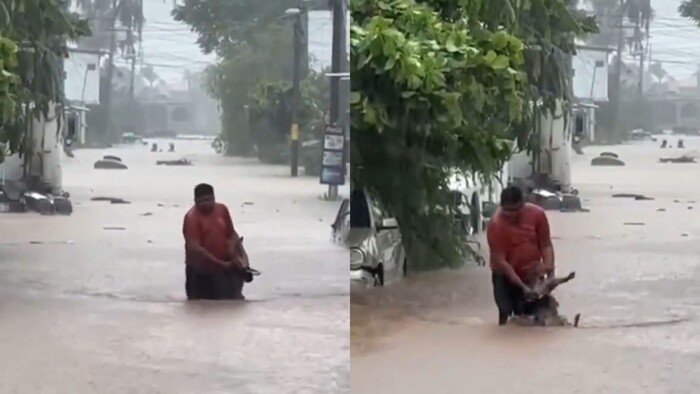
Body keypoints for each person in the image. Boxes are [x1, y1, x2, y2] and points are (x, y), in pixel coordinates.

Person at [487, 186, 555, 325]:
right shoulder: (496, 225)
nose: (511, 214)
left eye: (516, 210)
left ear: (523, 204)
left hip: (532, 273)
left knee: (535, 316)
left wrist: (550, 274)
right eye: (507, 210)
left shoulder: (538, 214)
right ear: (501, 206)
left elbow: (546, 245)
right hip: (505, 275)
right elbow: (501, 262)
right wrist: (522, 287)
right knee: (506, 312)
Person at [182, 183, 247, 300]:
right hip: (201, 273)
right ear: (195, 201)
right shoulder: (192, 218)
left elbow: (232, 234)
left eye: (208, 200)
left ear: (214, 198)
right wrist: (222, 265)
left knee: (232, 304)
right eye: (201, 201)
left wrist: (242, 260)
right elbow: (196, 250)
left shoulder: (222, 210)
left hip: (226, 269)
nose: (206, 204)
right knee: (201, 307)